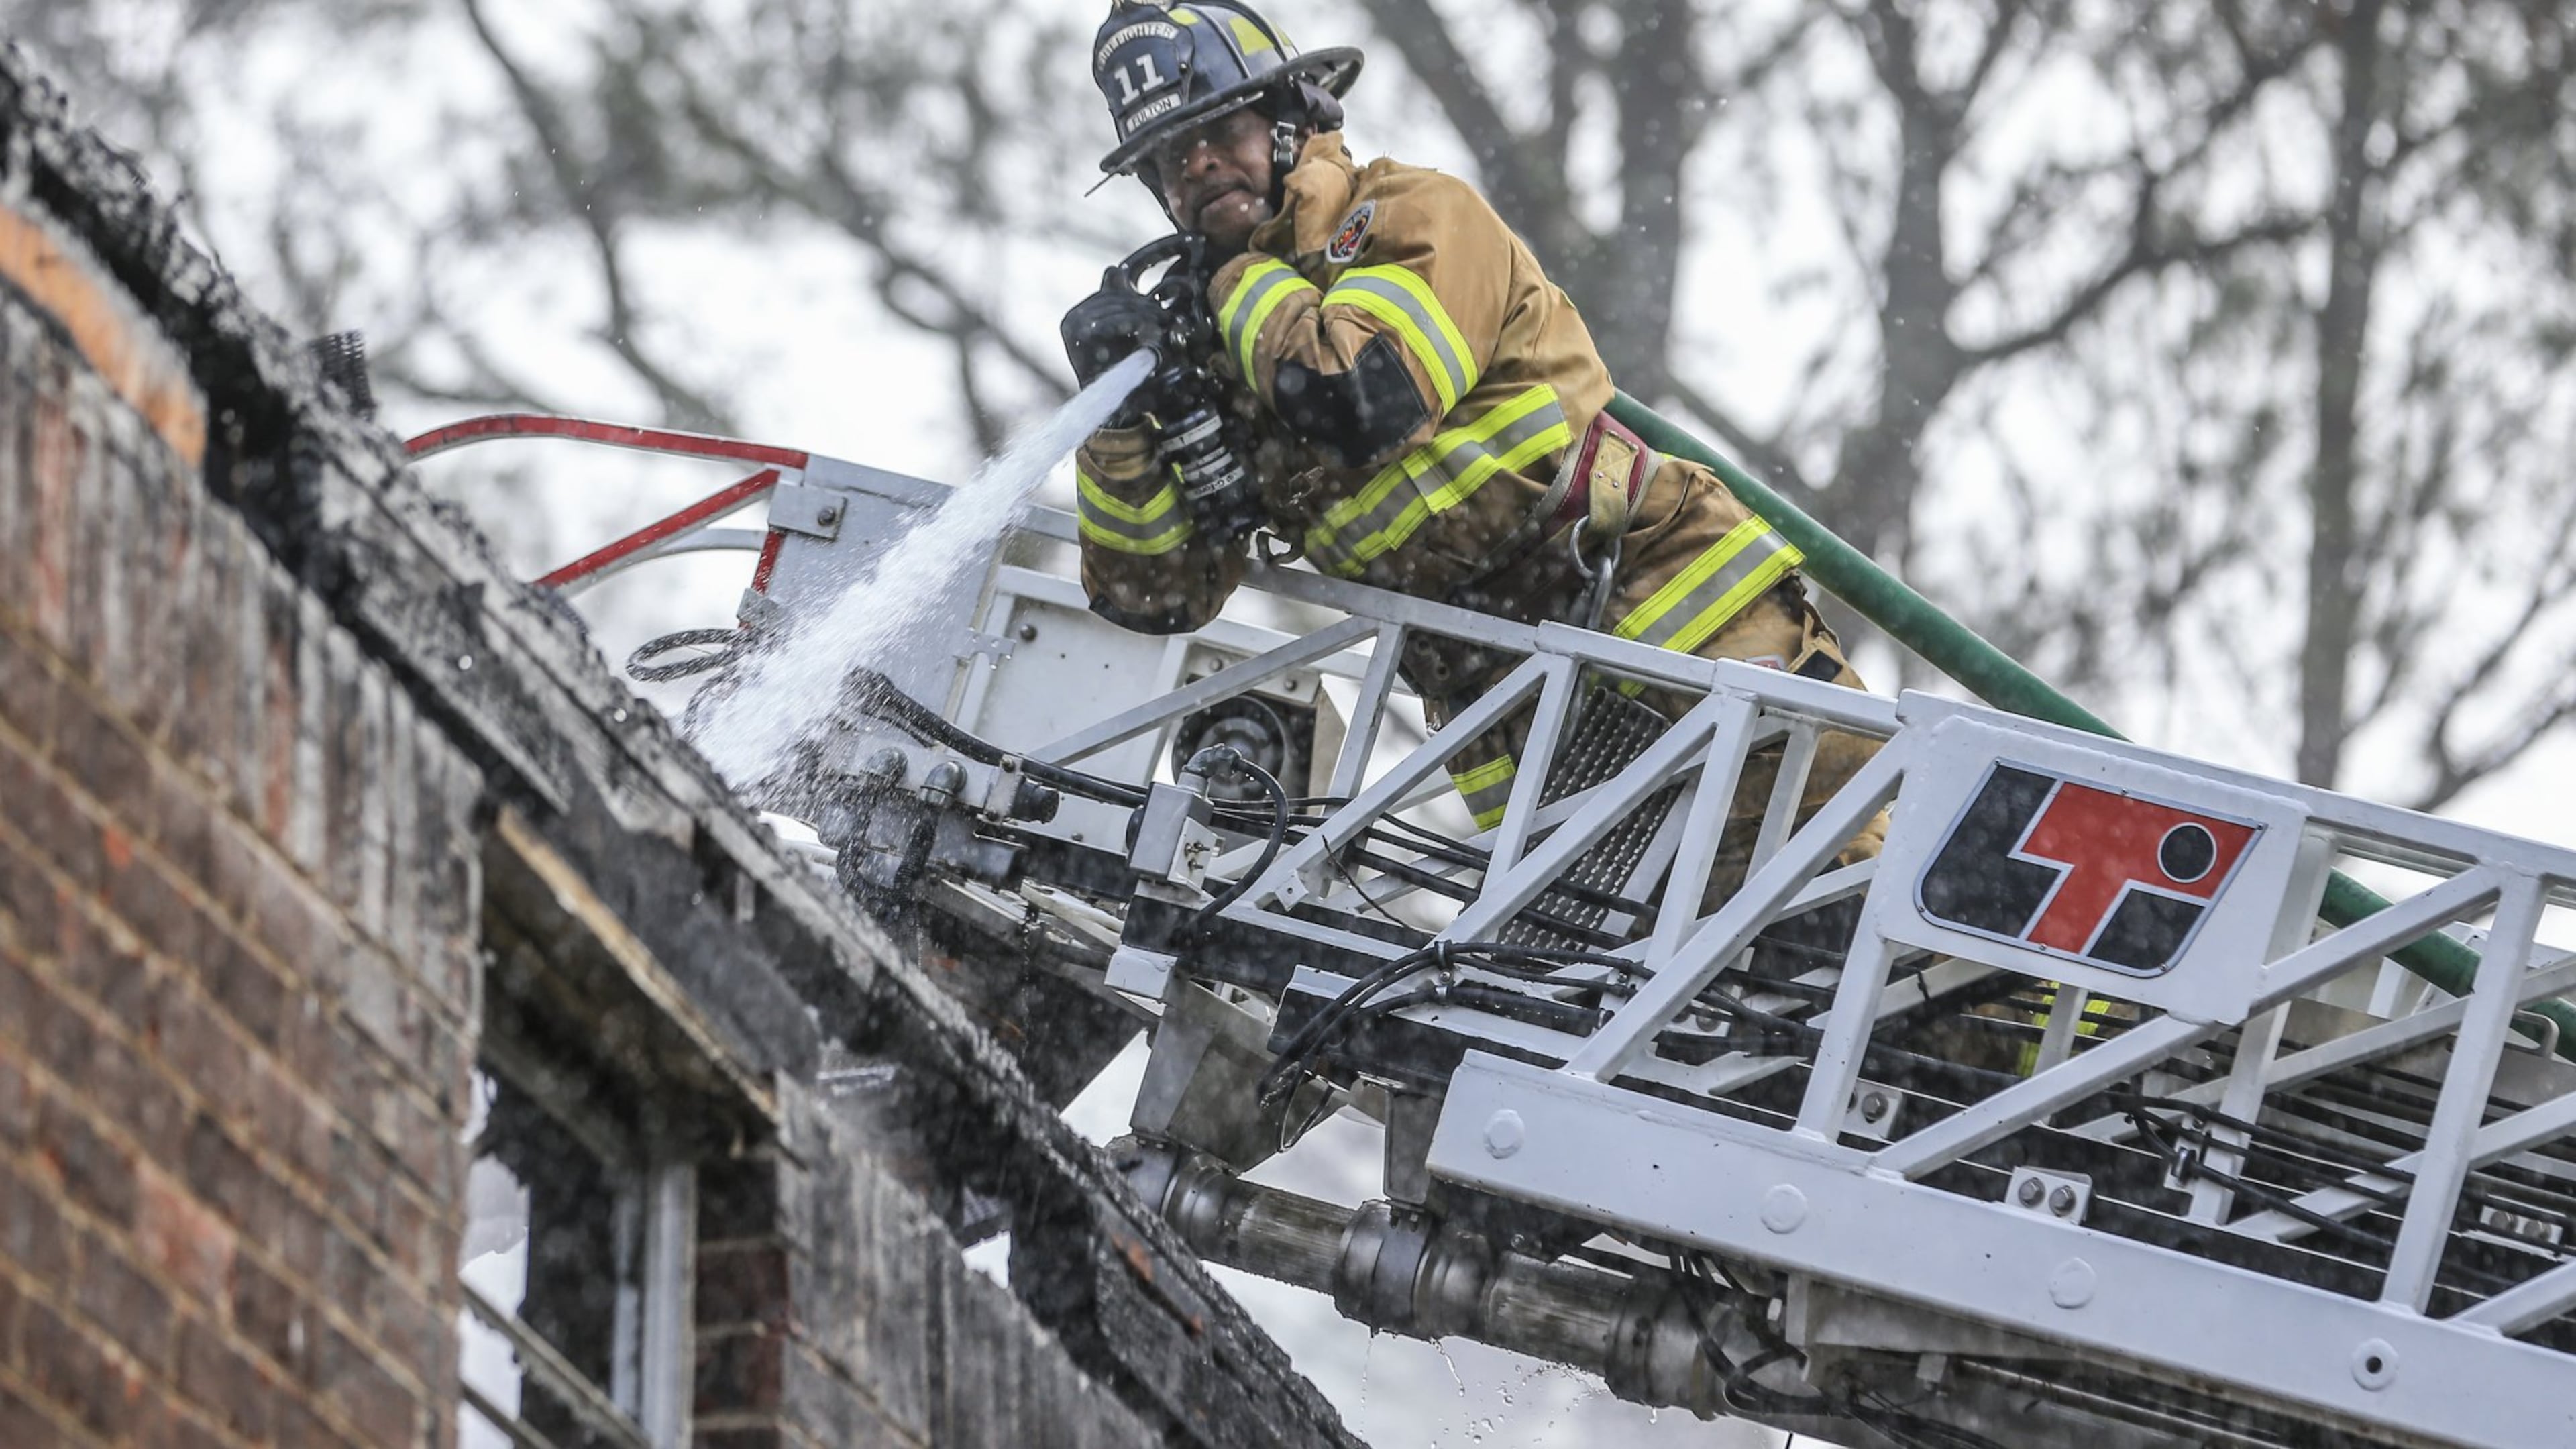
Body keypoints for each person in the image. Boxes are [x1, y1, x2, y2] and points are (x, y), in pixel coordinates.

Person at [1060, 0, 1881, 891]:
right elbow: (1155, 595)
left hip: (1682, 632)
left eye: (1221, 131)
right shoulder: (1233, 347)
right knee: (1642, 973)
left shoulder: (1408, 219)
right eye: (1168, 158)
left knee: (1843, 914)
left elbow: (1360, 399)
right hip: (1522, 726)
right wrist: (1121, 419)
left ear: (1292, 120)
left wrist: (1232, 277)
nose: (1196, 167)